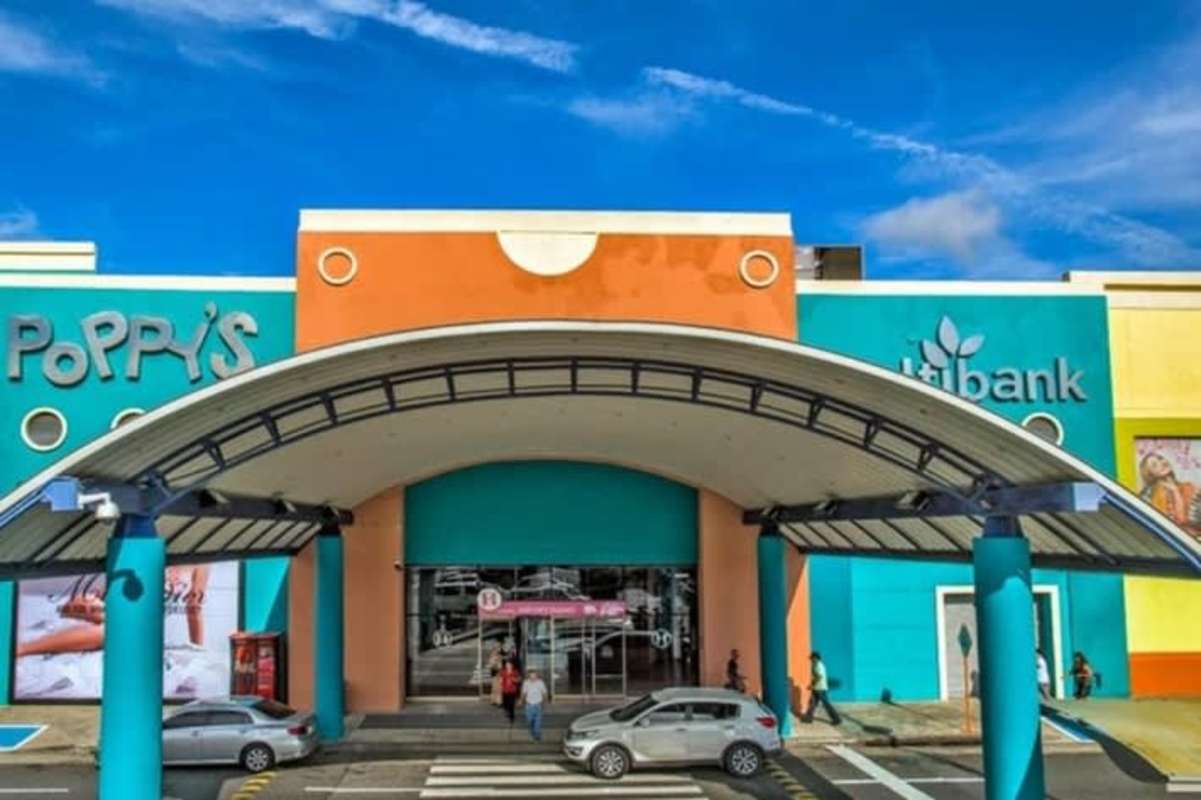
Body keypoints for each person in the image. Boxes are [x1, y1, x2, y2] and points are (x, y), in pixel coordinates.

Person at [1139, 452, 1201, 537]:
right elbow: (1179, 521)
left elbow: (1193, 521)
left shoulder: (1189, 487)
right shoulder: (1149, 496)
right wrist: (1175, 491)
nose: (1162, 463)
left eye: (1160, 458)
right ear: (1150, 474)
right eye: (1155, 465)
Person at [801, 651, 841, 725]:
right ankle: (808, 718)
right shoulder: (819, 665)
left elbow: (819, 677)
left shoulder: (818, 665)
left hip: (820, 688)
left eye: (812, 658)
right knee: (812, 703)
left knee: (826, 704)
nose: (811, 660)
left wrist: (812, 685)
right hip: (817, 688)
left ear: (816, 658)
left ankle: (836, 719)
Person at [520, 667, 549, 742]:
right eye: (531, 675)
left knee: (538, 722)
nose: (533, 677)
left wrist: (545, 701)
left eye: (534, 675)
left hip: (538, 705)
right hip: (529, 705)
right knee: (529, 721)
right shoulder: (526, 682)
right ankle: (534, 732)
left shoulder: (540, 682)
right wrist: (521, 700)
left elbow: (544, 693)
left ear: (537, 675)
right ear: (529, 676)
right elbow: (524, 693)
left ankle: (537, 735)